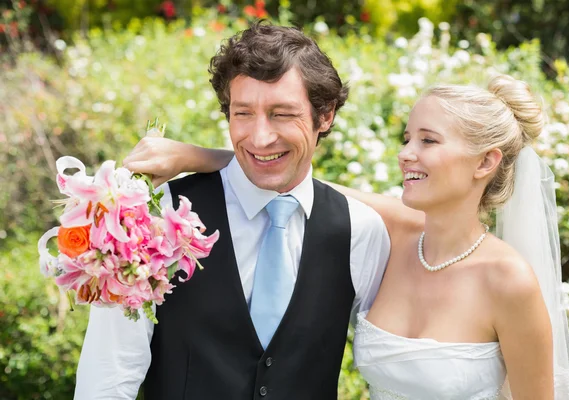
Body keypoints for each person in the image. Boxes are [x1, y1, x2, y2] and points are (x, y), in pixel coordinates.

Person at [126, 74, 569, 399]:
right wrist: (192, 155)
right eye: (407, 138)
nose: (406, 154)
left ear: (485, 163)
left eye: (428, 141)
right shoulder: (395, 236)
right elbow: (294, 182)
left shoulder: (508, 280)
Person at [74, 21, 396, 400]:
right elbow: (109, 376)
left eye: (282, 114)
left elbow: (387, 369)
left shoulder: (361, 230)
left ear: (324, 116)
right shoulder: (156, 216)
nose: (260, 138)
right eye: (243, 113)